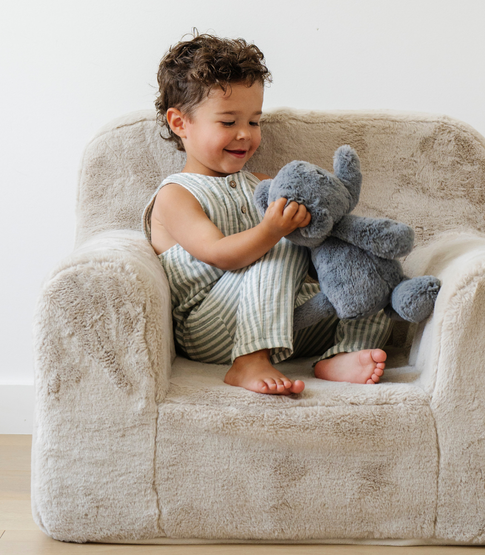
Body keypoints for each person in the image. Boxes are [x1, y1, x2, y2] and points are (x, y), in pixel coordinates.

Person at [142, 32, 392, 395]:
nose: (245, 134)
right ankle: (248, 361)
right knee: (279, 248)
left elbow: (311, 249)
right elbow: (221, 255)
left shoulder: (261, 183)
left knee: (365, 281)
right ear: (180, 123)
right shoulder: (176, 195)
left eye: (254, 121)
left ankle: (343, 354)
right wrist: (275, 230)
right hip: (212, 328)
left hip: (285, 322)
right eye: (228, 122)